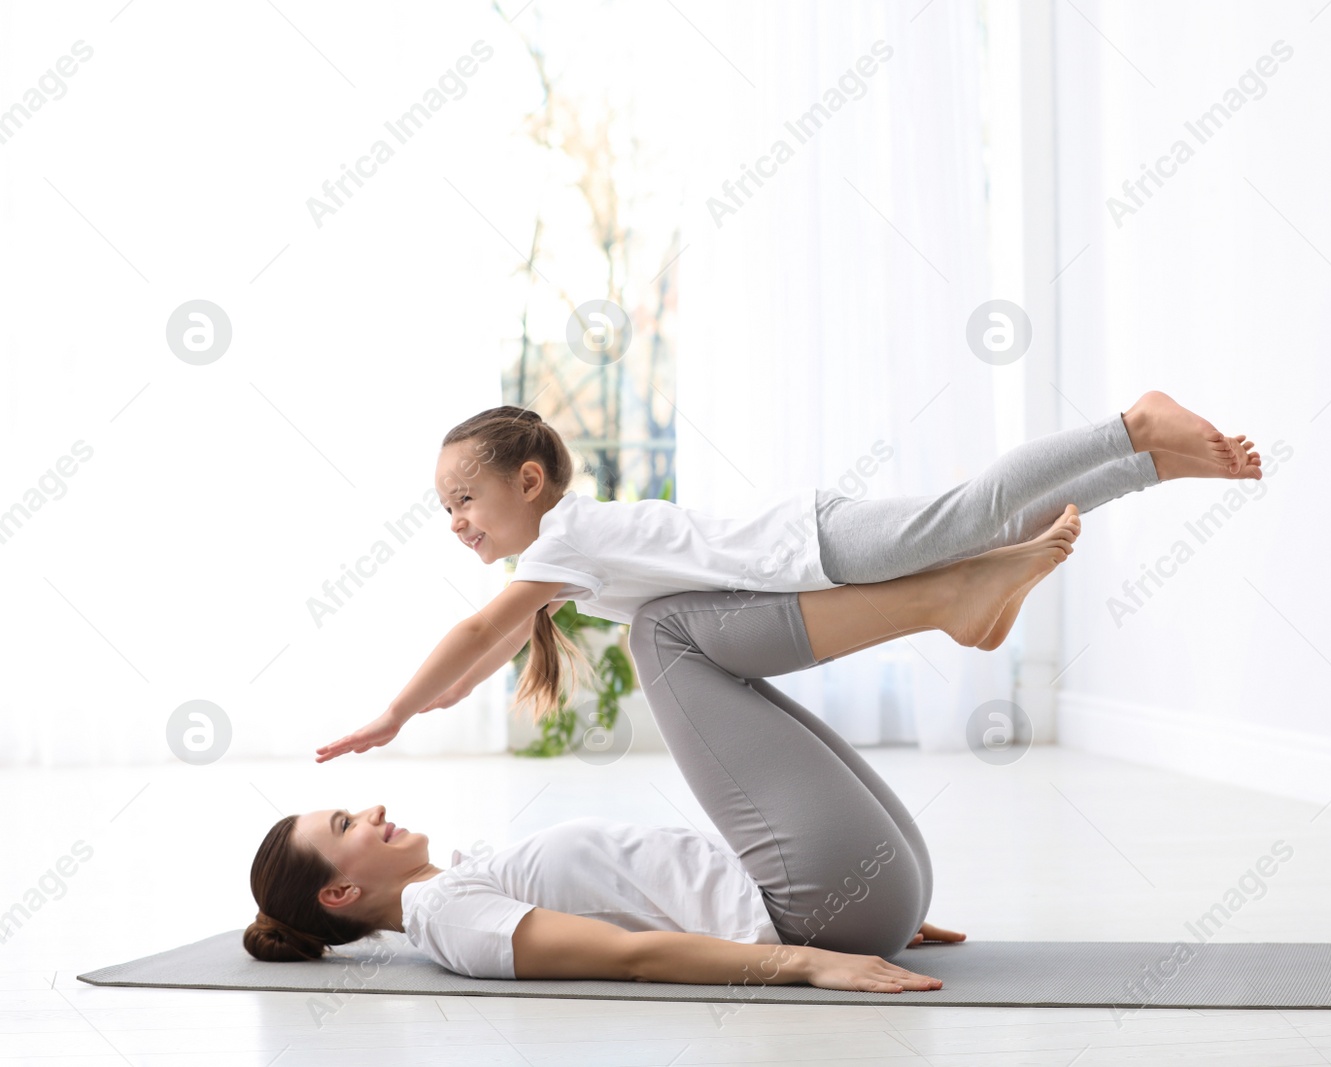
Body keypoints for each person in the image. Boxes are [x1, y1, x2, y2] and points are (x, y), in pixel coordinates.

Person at [248, 520, 1083, 990]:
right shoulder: (452, 921)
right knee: (665, 628)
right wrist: (815, 958)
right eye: (349, 821)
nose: (377, 810)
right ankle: (947, 597)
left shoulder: (459, 879)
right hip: (815, 913)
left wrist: (879, 901)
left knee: (685, 641)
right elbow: (633, 956)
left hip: (842, 896)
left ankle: (951, 596)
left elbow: (658, 898)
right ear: (343, 889)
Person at [314, 390, 1257, 763]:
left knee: (972, 516)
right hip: (807, 549)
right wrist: (441, 700)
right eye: (444, 510)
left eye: (463, 499)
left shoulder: (563, 538)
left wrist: (398, 710)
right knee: (991, 526)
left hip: (808, 543)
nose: (456, 523)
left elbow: (484, 633)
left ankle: (1131, 425)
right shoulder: (564, 554)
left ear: (528, 482)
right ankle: (1154, 464)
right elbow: (500, 640)